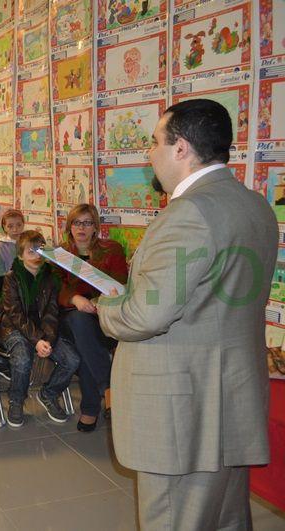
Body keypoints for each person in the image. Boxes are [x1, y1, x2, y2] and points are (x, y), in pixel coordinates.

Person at [97, 99, 278, 529]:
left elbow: (145, 315)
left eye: (155, 142)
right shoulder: (254, 205)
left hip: (183, 411)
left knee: (176, 518)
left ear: (181, 148)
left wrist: (108, 306)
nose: (149, 154)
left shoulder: (188, 215)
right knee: (226, 517)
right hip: (230, 395)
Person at [55, 204, 128, 432]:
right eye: (77, 223)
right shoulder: (61, 254)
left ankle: (90, 409)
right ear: (70, 226)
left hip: (104, 316)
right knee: (80, 323)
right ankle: (108, 387)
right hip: (70, 318)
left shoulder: (112, 250)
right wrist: (74, 298)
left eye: (87, 223)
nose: (81, 228)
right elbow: (54, 287)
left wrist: (100, 302)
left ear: (95, 227)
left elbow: (120, 284)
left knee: (87, 344)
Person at [0, 230, 79, 428]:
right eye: (30, 252)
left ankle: (49, 393)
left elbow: (51, 312)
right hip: (14, 328)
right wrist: (37, 340)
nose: (36, 256)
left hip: (43, 330)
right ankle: (17, 400)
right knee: (23, 358)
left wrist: (47, 340)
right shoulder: (11, 278)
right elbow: (15, 314)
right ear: (20, 256)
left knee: (72, 360)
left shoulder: (50, 278)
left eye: (40, 251)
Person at [0, 209, 25, 275]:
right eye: (10, 226)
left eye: (19, 225)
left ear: (23, 225)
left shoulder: (29, 242)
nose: (15, 229)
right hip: (9, 280)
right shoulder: (0, 247)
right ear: (4, 227)